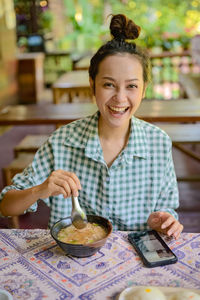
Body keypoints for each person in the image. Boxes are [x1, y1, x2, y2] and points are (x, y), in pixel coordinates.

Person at [0, 14, 183, 239]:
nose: (120, 98)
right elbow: (7, 206)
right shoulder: (62, 142)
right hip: (72, 260)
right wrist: (40, 190)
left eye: (132, 86)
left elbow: (168, 210)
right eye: (108, 85)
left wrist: (164, 220)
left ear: (144, 89)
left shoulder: (158, 142)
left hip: (136, 259)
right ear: (92, 85)